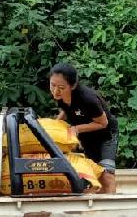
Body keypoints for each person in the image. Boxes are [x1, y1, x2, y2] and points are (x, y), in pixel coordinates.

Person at [49, 63, 118, 194]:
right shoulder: (60, 96)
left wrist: (75, 129)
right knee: (92, 173)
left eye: (61, 87)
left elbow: (103, 123)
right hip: (87, 137)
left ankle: (111, 204)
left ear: (73, 86)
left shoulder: (87, 99)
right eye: (52, 85)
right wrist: (54, 125)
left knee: (106, 174)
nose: (56, 91)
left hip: (106, 135)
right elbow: (66, 110)